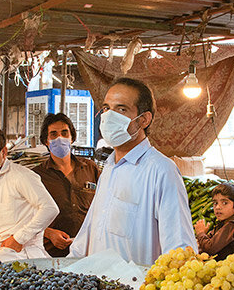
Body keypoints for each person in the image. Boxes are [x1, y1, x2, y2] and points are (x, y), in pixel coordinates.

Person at [69, 78, 196, 266]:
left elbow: (179, 247)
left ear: (144, 120)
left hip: (135, 289)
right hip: (97, 287)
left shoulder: (161, 171)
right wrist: (69, 265)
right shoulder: (109, 167)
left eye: (121, 110)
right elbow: (91, 228)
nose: (109, 116)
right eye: (106, 109)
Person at [0, 125, 58, 260]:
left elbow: (50, 208)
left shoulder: (21, 176)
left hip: (22, 253)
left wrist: (19, 238)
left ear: (3, 152)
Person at [33, 113, 100, 257]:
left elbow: (104, 204)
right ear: (46, 141)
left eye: (64, 133)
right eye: (53, 134)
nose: (60, 138)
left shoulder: (90, 168)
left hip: (88, 249)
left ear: (72, 137)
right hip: (52, 253)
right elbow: (23, 217)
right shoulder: (36, 176)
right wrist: (48, 233)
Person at [194, 182, 234, 260]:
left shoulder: (232, 224)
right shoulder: (225, 221)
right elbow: (212, 239)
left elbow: (210, 248)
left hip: (232, 269)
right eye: (215, 203)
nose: (218, 207)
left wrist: (200, 233)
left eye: (224, 203)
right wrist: (204, 235)